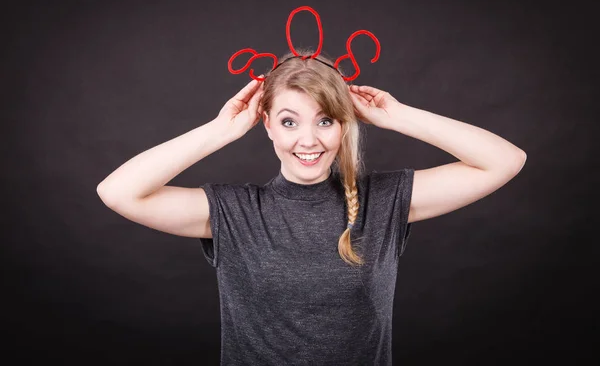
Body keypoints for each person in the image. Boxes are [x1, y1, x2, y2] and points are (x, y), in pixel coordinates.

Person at [97, 48, 526, 365]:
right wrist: (219, 132)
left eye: (325, 120)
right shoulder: (234, 212)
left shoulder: (383, 202)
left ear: (345, 124)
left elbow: (505, 160)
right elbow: (118, 191)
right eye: (288, 121)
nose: (308, 140)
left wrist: (398, 116)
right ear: (266, 125)